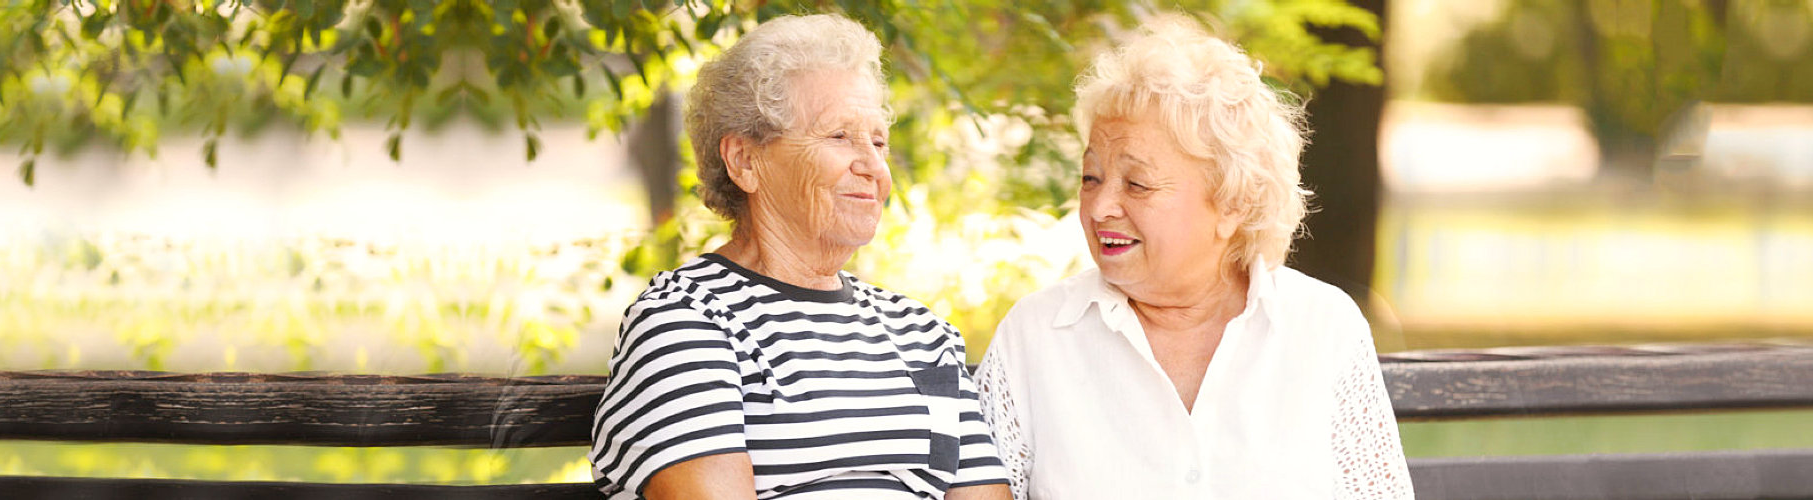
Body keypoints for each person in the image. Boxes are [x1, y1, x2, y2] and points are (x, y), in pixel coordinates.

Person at [973, 15, 1413, 499]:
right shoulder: (1035, 336)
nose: (1099, 207)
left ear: (1232, 204)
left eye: (1137, 184)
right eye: (1090, 178)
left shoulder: (1324, 327)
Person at [589, 14, 1012, 500]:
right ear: (745, 161)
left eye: (878, 141)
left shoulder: (919, 333)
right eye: (839, 137)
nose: (874, 167)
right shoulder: (686, 321)